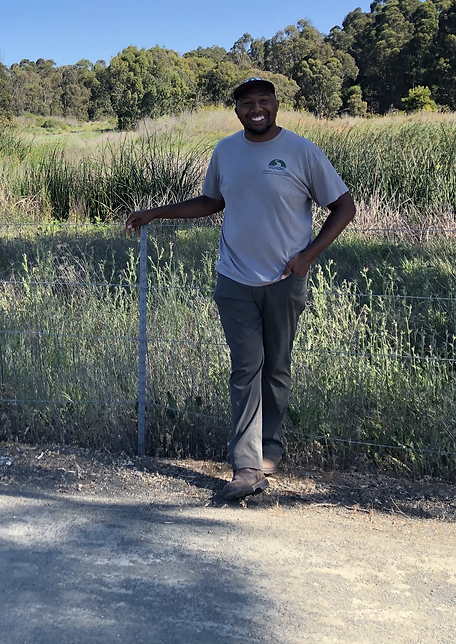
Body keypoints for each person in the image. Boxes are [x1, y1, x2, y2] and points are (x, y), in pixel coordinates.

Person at [126, 77, 356, 501]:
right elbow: (211, 201)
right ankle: (247, 466)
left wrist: (308, 256)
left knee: (277, 369)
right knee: (246, 369)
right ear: (236, 110)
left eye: (263, 101)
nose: (256, 109)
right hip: (234, 280)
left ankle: (270, 449)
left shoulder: (302, 151)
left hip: (286, 281)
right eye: (247, 103)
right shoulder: (225, 151)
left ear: (275, 105)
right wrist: (154, 213)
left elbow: (344, 206)